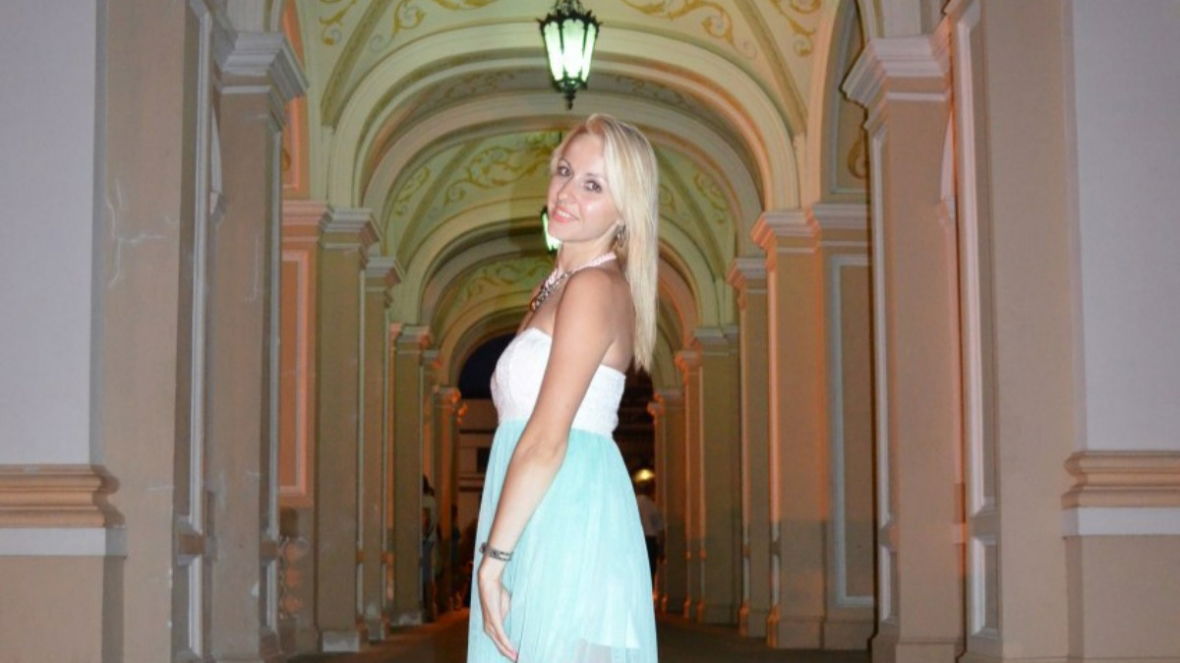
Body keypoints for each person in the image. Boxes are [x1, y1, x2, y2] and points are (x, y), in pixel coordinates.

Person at [468, 114, 660, 663]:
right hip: (540, 505)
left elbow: (546, 438)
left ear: (626, 211)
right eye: (565, 171)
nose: (567, 191)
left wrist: (493, 560)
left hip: (566, 510)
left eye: (593, 184)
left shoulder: (592, 287)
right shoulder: (556, 287)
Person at [634, 480, 665, 586]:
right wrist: (661, 550)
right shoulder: (652, 505)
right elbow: (661, 529)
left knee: (637, 570)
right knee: (650, 570)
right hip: (650, 541)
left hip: (636, 541)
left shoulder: (633, 504)